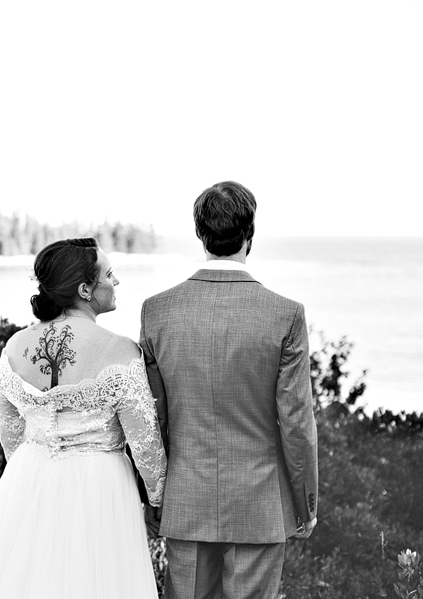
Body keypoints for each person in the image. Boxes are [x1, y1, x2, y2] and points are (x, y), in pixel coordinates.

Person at [0, 237, 167, 599]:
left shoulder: (15, 346)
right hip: (101, 487)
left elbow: (10, 430)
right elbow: (146, 446)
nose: (117, 282)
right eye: (109, 274)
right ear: (85, 289)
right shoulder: (121, 351)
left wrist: (33, 474)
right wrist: (157, 501)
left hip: (29, 478)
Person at [140, 181, 319, 599]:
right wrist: (305, 503)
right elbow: (296, 422)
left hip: (185, 499)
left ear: (201, 234)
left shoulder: (156, 310)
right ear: (250, 234)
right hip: (259, 506)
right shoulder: (286, 314)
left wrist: (153, 499)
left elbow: (153, 418)